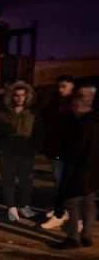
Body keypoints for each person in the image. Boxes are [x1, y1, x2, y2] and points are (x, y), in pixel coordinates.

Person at [53, 85, 98, 249]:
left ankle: (73, 238)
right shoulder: (94, 120)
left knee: (72, 202)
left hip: (79, 170)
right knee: (89, 202)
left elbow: (76, 150)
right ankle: (86, 235)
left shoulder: (82, 125)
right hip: (93, 171)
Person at [0, 81, 41, 222]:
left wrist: (35, 148)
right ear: (12, 97)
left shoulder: (32, 114)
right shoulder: (4, 114)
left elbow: (39, 133)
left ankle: (25, 206)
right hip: (8, 153)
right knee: (8, 181)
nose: (19, 98)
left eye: (22, 95)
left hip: (26, 153)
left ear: (27, 97)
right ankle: (11, 208)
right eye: (16, 95)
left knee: (26, 182)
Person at [41, 75, 76, 229]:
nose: (60, 89)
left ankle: (63, 213)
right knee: (58, 181)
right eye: (59, 86)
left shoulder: (76, 104)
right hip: (56, 149)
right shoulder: (54, 102)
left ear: (72, 87)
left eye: (64, 86)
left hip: (70, 150)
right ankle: (60, 210)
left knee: (67, 184)